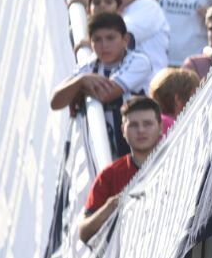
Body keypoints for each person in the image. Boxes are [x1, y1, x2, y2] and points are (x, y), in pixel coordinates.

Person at [51, 12, 154, 156]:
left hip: (136, 146)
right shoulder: (88, 66)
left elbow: (107, 94)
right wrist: (80, 81)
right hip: (101, 149)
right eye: (97, 40)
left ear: (125, 39)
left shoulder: (139, 61)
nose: (104, 45)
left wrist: (78, 90)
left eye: (110, 38)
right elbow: (55, 102)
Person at [78, 95, 163, 242]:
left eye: (148, 124)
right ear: (123, 131)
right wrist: (110, 207)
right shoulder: (109, 175)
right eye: (133, 125)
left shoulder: (175, 160)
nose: (141, 130)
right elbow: (84, 233)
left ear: (160, 127)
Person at [149, 66, 201, 133]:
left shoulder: (153, 120)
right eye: (194, 95)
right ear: (177, 99)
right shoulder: (168, 124)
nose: (197, 100)